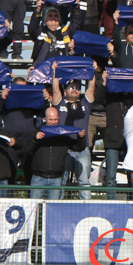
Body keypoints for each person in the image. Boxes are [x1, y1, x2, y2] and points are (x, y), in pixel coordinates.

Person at [51, 72, 97, 200]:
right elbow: (55, 89)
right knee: (61, 181)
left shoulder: (85, 104)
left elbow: (91, 88)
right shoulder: (60, 103)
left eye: (77, 88)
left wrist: (92, 71)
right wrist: (55, 71)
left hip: (82, 149)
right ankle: (57, 206)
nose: (74, 90)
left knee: (84, 182)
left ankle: (86, 208)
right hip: (64, 149)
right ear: (65, 91)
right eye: (71, 87)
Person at [24, 107, 75, 200]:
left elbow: (78, 147)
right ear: (45, 119)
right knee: (34, 206)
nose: (53, 122)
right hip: (38, 177)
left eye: (55, 119)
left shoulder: (62, 135)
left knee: (53, 207)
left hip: (56, 178)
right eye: (51, 119)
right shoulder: (36, 133)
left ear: (58, 119)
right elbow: (27, 150)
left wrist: (81, 137)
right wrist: (35, 139)